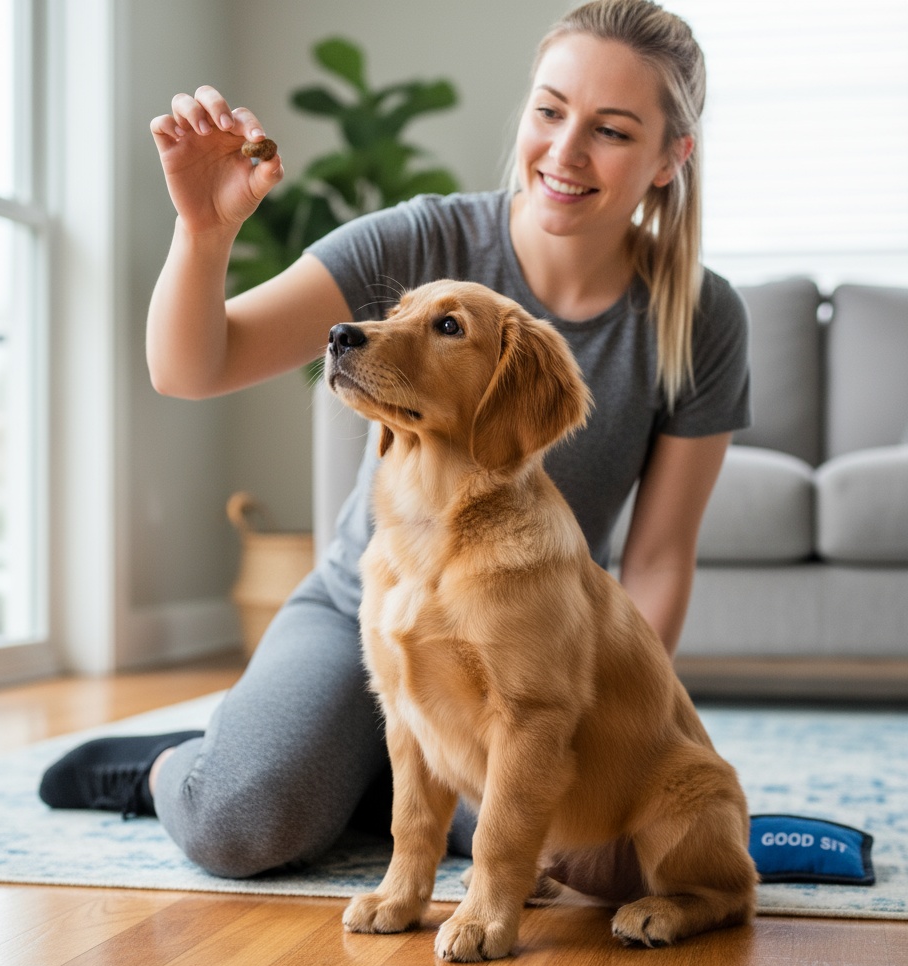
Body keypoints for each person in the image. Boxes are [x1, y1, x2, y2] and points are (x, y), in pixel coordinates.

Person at [40, 0, 750, 878]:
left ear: (669, 159)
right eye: (549, 110)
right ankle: (174, 766)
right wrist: (204, 231)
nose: (565, 153)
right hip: (361, 617)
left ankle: (357, 772)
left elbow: (659, 560)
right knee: (242, 820)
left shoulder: (700, 317)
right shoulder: (428, 237)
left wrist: (618, 739)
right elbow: (192, 366)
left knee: (590, 863)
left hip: (517, 636)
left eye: (609, 129)